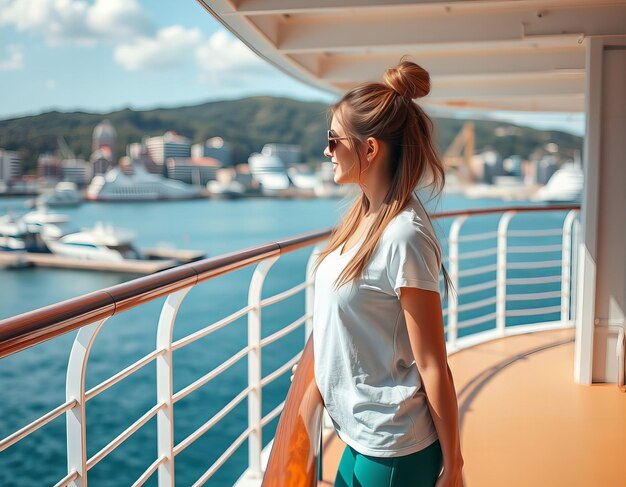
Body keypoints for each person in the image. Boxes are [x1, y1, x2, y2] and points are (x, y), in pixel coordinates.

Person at [311, 60, 464, 487]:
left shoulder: (403, 236)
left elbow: (433, 363)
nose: (326, 151)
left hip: (396, 448)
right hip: (358, 434)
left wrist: (454, 467)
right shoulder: (362, 217)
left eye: (333, 140)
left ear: (370, 149)